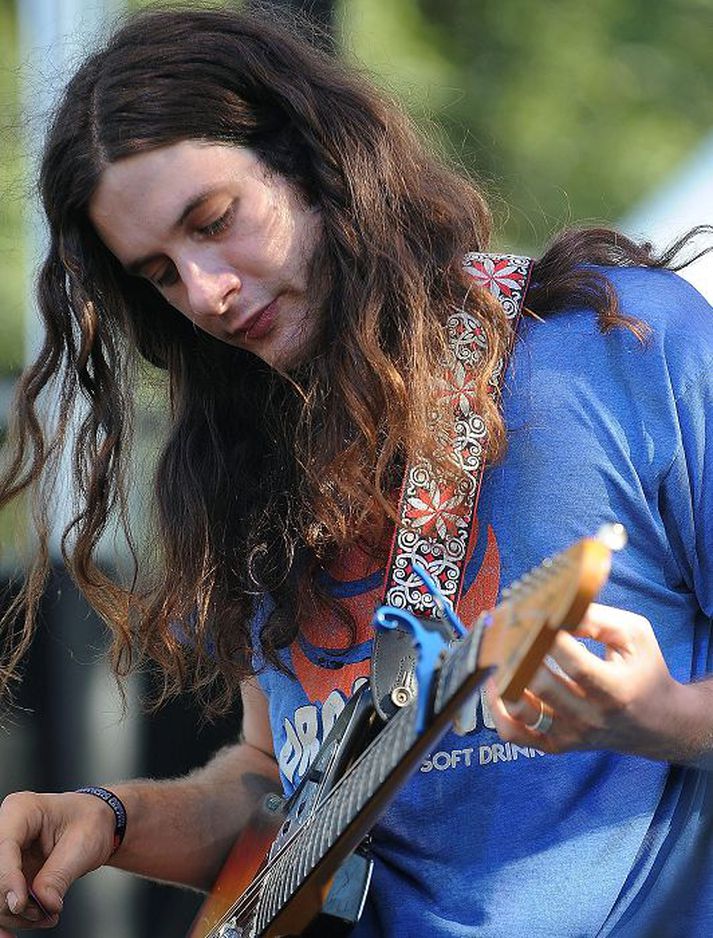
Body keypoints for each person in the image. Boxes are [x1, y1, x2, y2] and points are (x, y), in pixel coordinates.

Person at [0, 5, 712, 937]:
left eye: (215, 221)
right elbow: (277, 789)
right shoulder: (247, 471)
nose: (205, 292)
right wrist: (108, 818)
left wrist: (661, 719)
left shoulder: (621, 349)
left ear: (317, 161)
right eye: (161, 274)